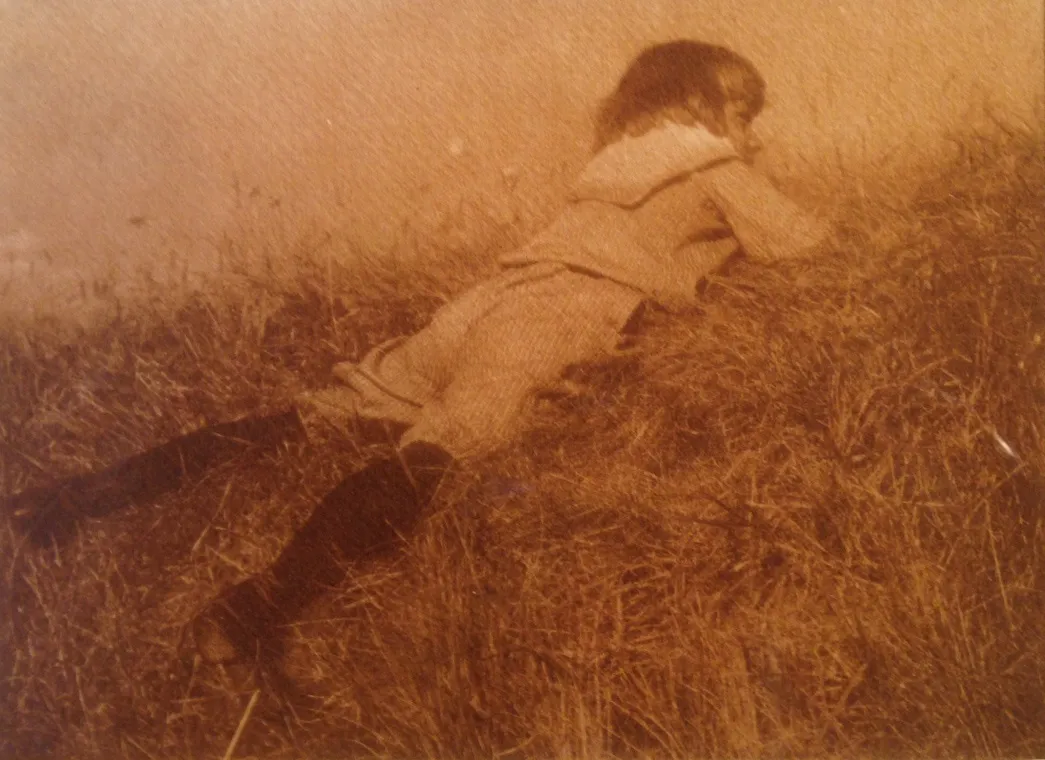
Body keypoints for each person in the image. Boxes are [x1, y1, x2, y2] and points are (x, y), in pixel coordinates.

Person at [6, 40, 831, 669]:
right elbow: (806, 249)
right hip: (553, 313)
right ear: (701, 106)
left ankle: (69, 499)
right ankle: (256, 612)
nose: (748, 129)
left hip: (478, 306)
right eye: (742, 111)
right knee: (441, 451)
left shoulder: (610, 165)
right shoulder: (714, 164)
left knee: (315, 414)